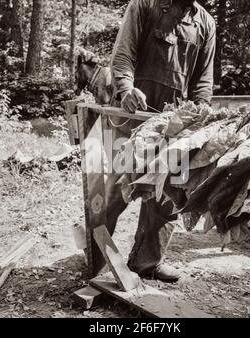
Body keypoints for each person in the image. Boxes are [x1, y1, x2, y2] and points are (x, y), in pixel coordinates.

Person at [100, 0, 216, 282]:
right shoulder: (143, 5)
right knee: (118, 188)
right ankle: (97, 256)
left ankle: (146, 262)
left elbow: (203, 78)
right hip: (133, 117)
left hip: (174, 123)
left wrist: (200, 114)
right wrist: (126, 89)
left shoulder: (205, 23)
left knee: (167, 194)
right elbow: (123, 54)